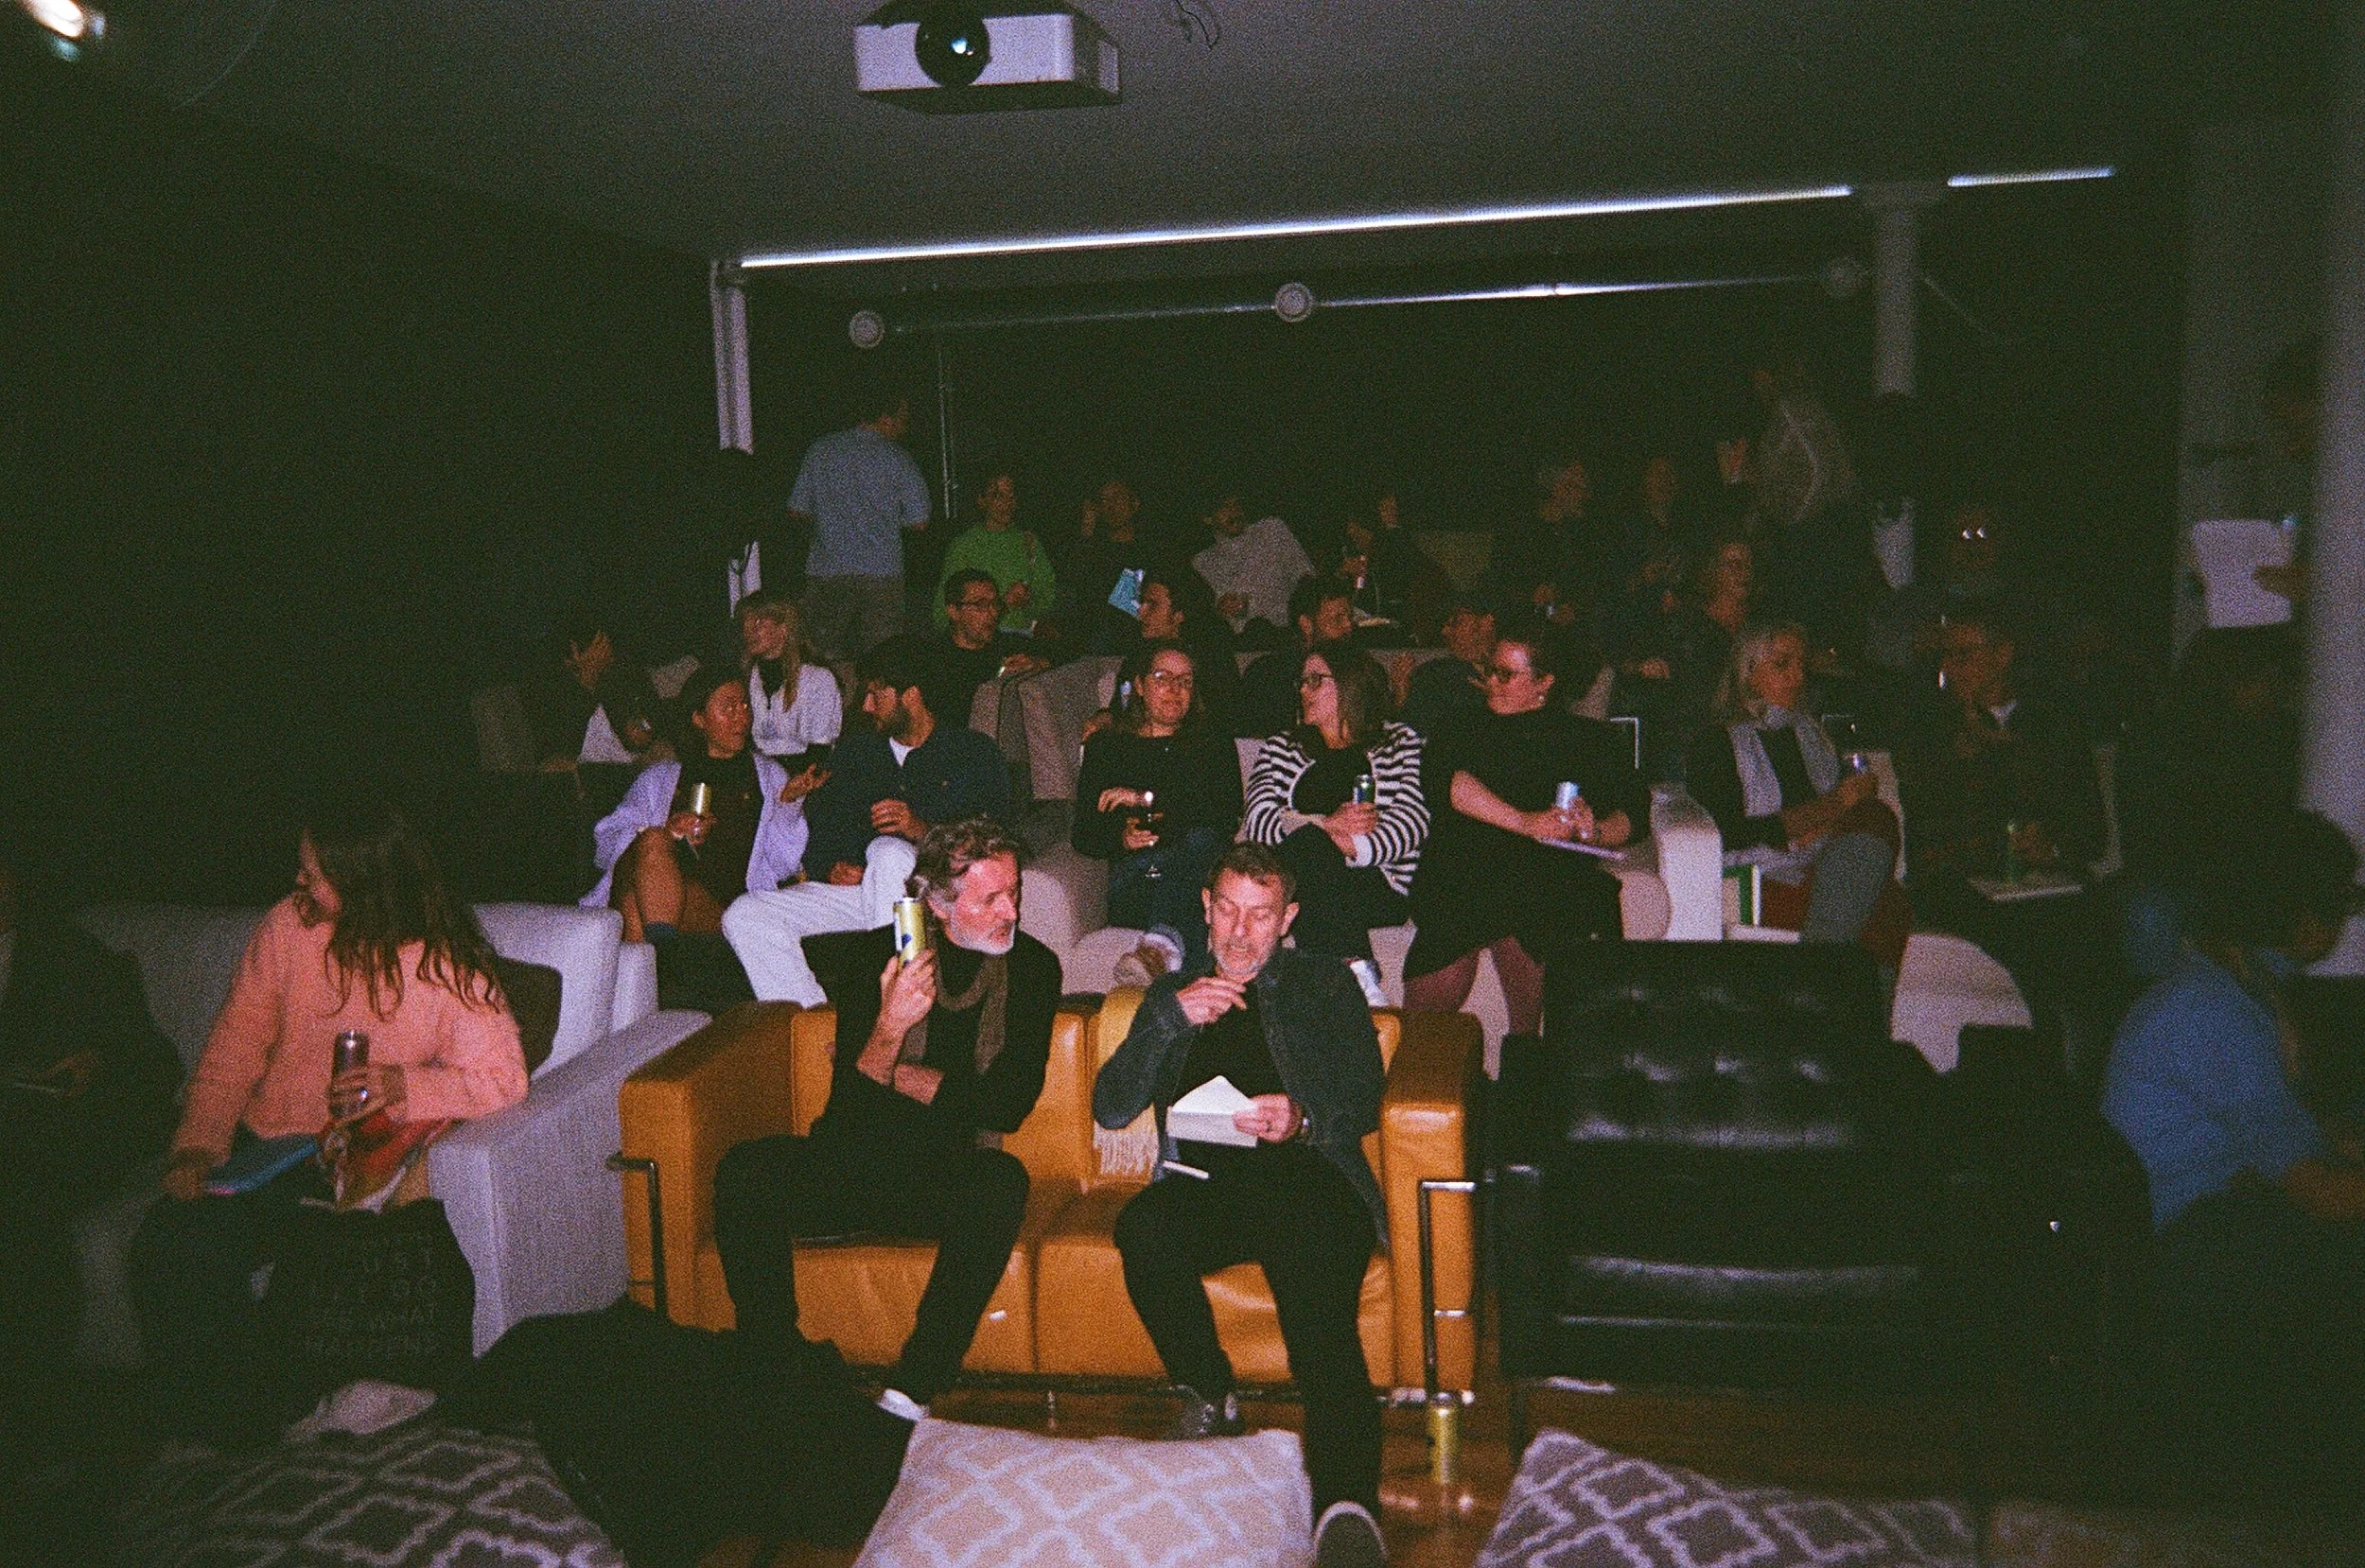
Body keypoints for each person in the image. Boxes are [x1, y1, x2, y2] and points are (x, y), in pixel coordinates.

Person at [130, 797, 528, 1433]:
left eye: (313, 871)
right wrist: (198, 1144)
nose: (299, 881)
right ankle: (210, 1438)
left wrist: (405, 1086)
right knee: (171, 1243)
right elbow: (234, 1047)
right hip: (264, 1153)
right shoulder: (288, 927)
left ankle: (266, 1425)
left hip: (350, 1164)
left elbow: (502, 1080)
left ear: (361, 881)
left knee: (317, 1262)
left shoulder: (442, 961)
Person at [1093, 845, 1391, 1568]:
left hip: (1310, 1181)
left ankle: (1347, 1507)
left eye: (1260, 914)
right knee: (1142, 1226)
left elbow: (1364, 1095)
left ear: (1287, 918)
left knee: (1320, 1333)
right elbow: (1110, 1106)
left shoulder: (1325, 983)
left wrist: (1303, 1117)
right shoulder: (1174, 997)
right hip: (1208, 1187)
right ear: (1204, 905)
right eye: (1226, 909)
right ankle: (1211, 1392)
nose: (1239, 930)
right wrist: (1168, 1020)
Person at [714, 818, 1055, 1425]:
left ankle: (910, 1393)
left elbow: (1008, 1105)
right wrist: (891, 1027)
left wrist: (897, 1072)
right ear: (939, 904)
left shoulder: (1032, 969)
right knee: (747, 1169)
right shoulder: (879, 956)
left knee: (1001, 1181)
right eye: (991, 898)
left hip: (944, 1174)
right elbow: (849, 1104)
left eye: (1016, 892)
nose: (1012, 912)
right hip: (853, 1162)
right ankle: (774, 1362)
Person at [2102, 810, 2365, 1505]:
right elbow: (2313, 1187)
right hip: (2184, 1241)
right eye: (2341, 899)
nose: (2346, 916)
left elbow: (2296, 1130)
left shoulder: (2239, 981)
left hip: (2221, 1210)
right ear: (2297, 909)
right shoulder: (2208, 1008)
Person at [722, 637, 1010, 1007]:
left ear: (911, 695)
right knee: (745, 914)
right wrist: (832, 867)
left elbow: (992, 843)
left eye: (877, 695)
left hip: (935, 901)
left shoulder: (973, 753)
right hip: (863, 895)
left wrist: (920, 830)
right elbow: (824, 825)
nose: (866, 706)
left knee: (889, 851)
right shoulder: (856, 753)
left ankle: (889, 1012)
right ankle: (814, 1021)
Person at [0, 839, 180, 1406]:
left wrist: (99, 1062)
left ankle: (38, 1382)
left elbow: (155, 1061)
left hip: (87, 1124)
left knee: (22, 1186)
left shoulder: (67, 953)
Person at [1403, 621, 1643, 1033]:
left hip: (1542, 868)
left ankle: (1525, 1056)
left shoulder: (1588, 739)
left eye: (1507, 675)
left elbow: (1634, 812)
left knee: (1531, 908)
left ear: (1544, 682)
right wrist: (1525, 822)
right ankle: (1419, 1063)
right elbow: (1449, 785)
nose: (1492, 683)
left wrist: (1593, 829)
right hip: (1467, 858)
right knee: (1459, 918)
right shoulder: (1459, 727)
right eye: (1490, 670)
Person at [1684, 623, 1908, 968]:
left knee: (1875, 818)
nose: (1797, 676)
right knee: (1884, 902)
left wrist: (1830, 818)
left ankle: (1822, 973)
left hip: (1824, 859)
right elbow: (1728, 834)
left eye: (1801, 665)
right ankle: (1821, 970)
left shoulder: (1810, 733)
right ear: (1749, 673)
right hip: (1764, 869)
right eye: (1782, 665)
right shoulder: (1717, 742)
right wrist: (1830, 809)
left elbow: (1838, 812)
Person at [1242, 641, 1428, 1003]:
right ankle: (1357, 977)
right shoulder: (1281, 747)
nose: (1302, 690)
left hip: (1377, 883)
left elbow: (1412, 820)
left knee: (1310, 846)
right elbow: (1259, 822)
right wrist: (1327, 826)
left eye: (1315, 681)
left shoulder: (1400, 742)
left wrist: (1347, 844)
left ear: (1349, 683)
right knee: (1311, 847)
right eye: (1301, 682)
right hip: (1298, 878)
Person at [586, 662, 818, 945]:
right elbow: (604, 845)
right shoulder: (659, 779)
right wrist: (669, 832)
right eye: (728, 708)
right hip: (663, 896)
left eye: (745, 706)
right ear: (699, 719)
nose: (741, 718)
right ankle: (664, 954)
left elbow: (784, 864)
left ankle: (659, 962)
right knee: (654, 841)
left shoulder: (770, 778)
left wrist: (786, 805)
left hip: (723, 910)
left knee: (634, 907)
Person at [1073, 642, 1245, 984]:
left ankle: (1160, 950)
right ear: (1139, 685)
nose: (1174, 689)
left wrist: (1143, 798)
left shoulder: (1212, 744)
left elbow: (1224, 814)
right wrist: (1121, 838)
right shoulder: (1107, 748)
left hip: (1198, 870)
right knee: (1196, 889)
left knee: (1200, 845)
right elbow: (1083, 833)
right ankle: (1189, 989)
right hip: (1139, 879)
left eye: (1185, 681)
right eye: (1162, 677)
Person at [789, 389, 934, 659]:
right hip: (882, 575)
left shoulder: (821, 450)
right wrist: (885, 520)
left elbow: (797, 511)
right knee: (883, 657)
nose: (905, 425)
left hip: (828, 571)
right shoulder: (899, 458)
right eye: (902, 418)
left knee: (820, 656)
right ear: (886, 418)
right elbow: (920, 522)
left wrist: (833, 520)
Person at [1491, 454, 1625, 636]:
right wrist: (1534, 597)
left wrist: (1574, 607)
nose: (1580, 495)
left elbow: (1602, 583)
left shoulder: (1591, 534)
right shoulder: (1521, 530)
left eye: (1583, 488)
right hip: (1528, 627)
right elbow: (1504, 580)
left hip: (1579, 628)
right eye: (1572, 486)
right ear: (1554, 487)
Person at [935, 469, 1058, 637]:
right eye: (998, 497)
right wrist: (1002, 604)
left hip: (1022, 637)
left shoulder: (1028, 542)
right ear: (981, 500)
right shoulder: (965, 546)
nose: (1007, 504)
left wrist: (1029, 602)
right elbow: (942, 614)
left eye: (1011, 497)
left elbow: (1048, 597)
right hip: (981, 641)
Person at [1234, 574, 1356, 740]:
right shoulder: (1268, 676)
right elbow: (1252, 742)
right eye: (1338, 619)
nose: (1348, 626)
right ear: (1306, 624)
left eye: (1350, 617)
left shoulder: (1361, 671)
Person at [926, 569, 1049, 730]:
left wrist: (1038, 663)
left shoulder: (1007, 644)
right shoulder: (934, 659)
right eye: (981, 605)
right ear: (954, 612)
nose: (992, 613)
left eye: (995, 604)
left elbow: (1068, 654)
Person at [1191, 492, 1314, 642]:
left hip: (1287, 634)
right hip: (1241, 645)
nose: (1234, 512)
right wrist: (1222, 610)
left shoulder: (1271, 530)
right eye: (1225, 507)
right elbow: (1205, 613)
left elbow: (1306, 576)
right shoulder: (1202, 562)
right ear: (1207, 518)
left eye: (1236, 505)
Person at [736, 589, 843, 762]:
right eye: (745, 622)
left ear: (784, 628)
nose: (749, 630)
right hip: (756, 774)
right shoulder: (744, 678)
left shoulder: (819, 680)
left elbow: (819, 753)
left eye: (759, 622)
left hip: (803, 775)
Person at [1401, 589, 1497, 742]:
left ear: (1486, 623)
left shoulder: (1516, 674)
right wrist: (1401, 694)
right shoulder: (1434, 675)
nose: (1445, 631)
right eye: (1446, 624)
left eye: (1456, 622)